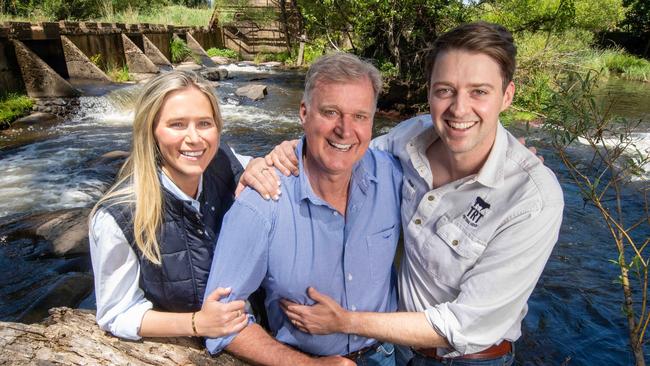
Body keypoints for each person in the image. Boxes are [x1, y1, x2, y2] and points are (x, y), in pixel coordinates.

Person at [247, 22, 564, 365]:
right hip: (395, 352)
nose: (459, 109)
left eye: (479, 92)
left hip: (470, 359)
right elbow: (344, 151)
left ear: (507, 96)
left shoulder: (532, 199)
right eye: (445, 90)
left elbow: (465, 325)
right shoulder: (411, 137)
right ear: (428, 93)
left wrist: (345, 322)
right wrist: (278, 157)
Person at [203, 53, 402, 366]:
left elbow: (452, 130)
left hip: (389, 355)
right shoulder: (260, 203)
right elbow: (220, 326)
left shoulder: (393, 176)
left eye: (360, 116)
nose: (345, 130)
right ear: (304, 113)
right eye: (331, 112)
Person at [89, 71, 249, 340]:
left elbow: (261, 164)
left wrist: (267, 163)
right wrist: (198, 323)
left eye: (204, 123)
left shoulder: (222, 162)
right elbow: (117, 313)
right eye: (177, 125)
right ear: (152, 131)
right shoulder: (118, 217)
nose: (194, 138)